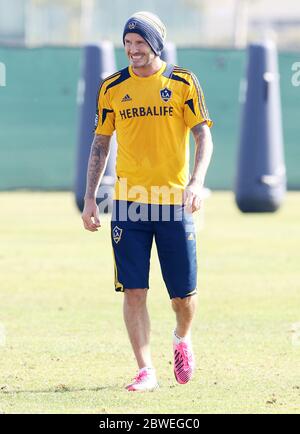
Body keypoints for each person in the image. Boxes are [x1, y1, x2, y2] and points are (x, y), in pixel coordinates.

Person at [82, 11, 213, 392]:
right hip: (128, 203)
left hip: (173, 203)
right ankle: (146, 370)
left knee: (182, 295)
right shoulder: (111, 88)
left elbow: (203, 137)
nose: (133, 50)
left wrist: (196, 182)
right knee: (134, 289)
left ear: (155, 44)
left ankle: (182, 339)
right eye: (127, 44)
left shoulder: (183, 82)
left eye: (139, 43)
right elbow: (100, 142)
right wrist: (90, 198)